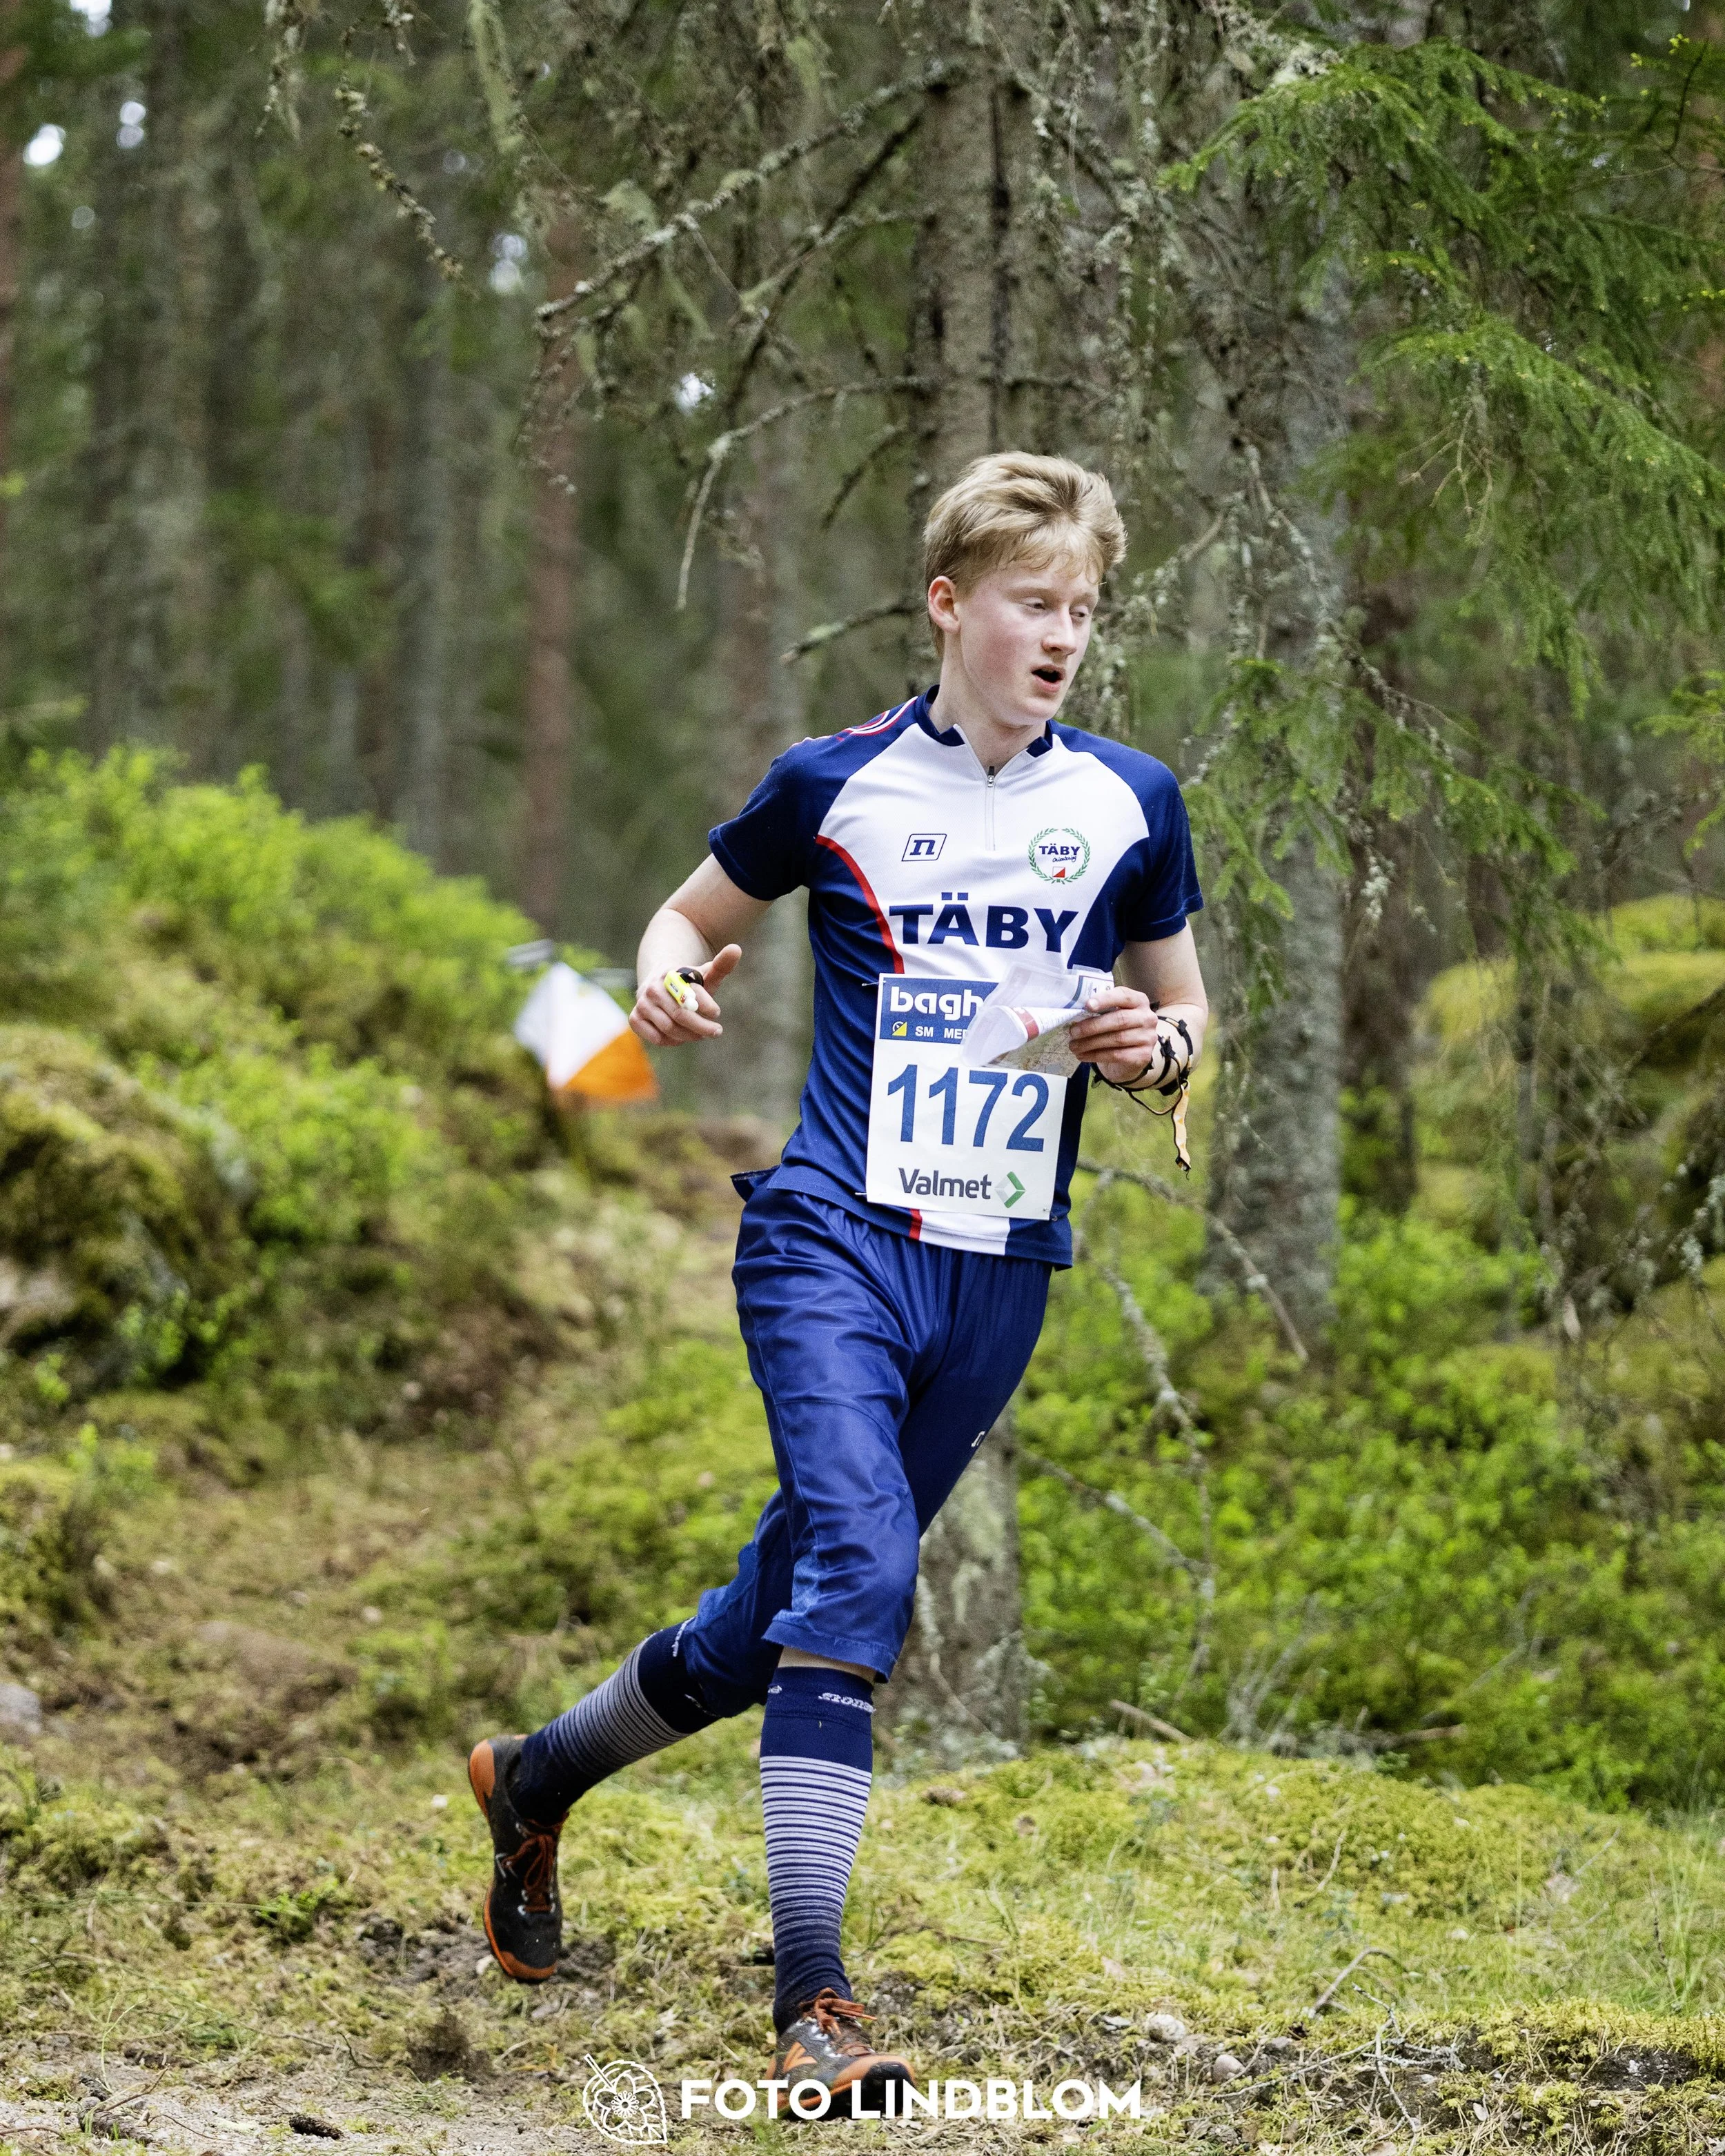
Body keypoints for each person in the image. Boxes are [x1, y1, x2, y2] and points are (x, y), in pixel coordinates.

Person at [468, 451, 1209, 2112]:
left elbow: (1184, 1024)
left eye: (1083, 609)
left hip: (998, 1271)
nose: (1062, 634)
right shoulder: (834, 780)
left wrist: (1146, 1046)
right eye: (1033, 601)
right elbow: (675, 918)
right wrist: (660, 996)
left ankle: (531, 1778)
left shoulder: (1129, 802)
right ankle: (813, 1999)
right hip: (831, 1236)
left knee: (773, 1620)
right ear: (949, 604)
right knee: (864, 1567)